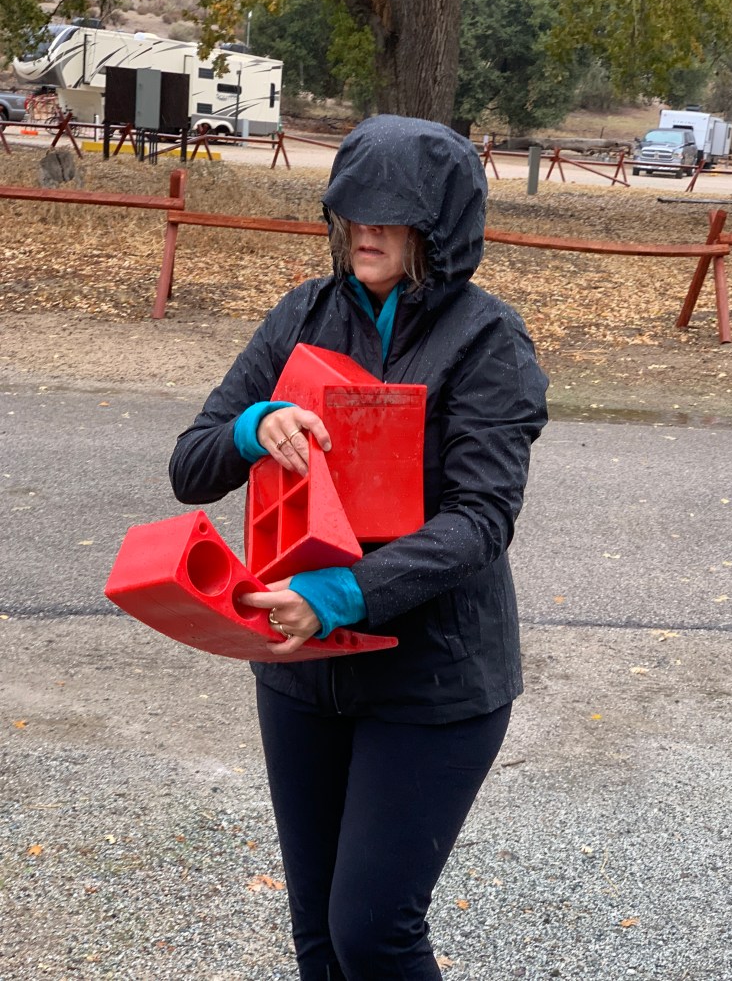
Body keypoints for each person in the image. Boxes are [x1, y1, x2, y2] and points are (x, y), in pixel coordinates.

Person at [169, 114, 549, 981]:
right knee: (317, 938)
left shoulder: (487, 340)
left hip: (433, 681)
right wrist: (256, 427)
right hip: (302, 669)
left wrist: (341, 593)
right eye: (354, 211)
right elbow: (191, 465)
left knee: (373, 932)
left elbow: (481, 520)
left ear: (438, 224)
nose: (366, 231)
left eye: (392, 214)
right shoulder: (302, 312)